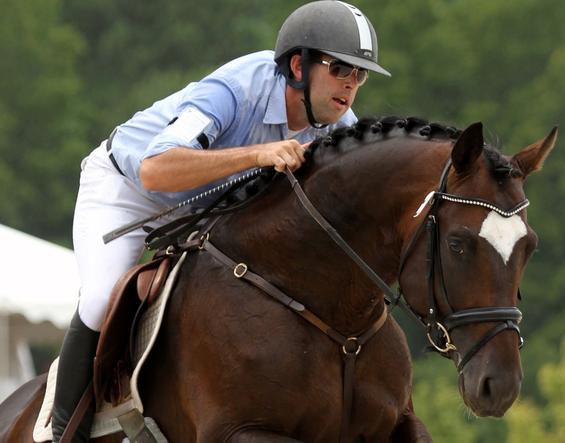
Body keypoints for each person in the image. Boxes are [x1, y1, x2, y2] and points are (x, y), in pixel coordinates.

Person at [50, 1, 390, 441]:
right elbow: (155, 170)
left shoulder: (341, 126)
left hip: (204, 211)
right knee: (100, 297)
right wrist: (257, 154)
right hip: (126, 192)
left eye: (359, 75)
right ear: (298, 66)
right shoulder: (237, 89)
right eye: (340, 68)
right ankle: (64, 431)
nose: (350, 84)